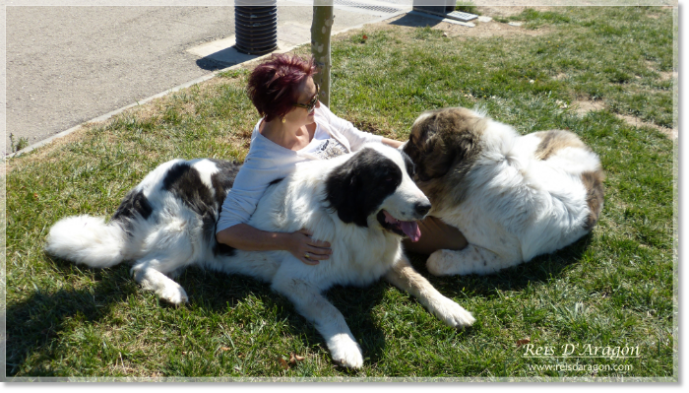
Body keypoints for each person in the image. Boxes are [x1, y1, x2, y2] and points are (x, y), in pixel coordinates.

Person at [215, 53, 466, 265]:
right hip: (364, 216)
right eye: (309, 102)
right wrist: (288, 242)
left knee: (455, 190)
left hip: (380, 179)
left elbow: (360, 139)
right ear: (281, 111)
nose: (317, 104)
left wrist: (411, 150)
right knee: (457, 237)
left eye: (316, 95)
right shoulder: (264, 161)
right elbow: (227, 231)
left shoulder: (313, 113)